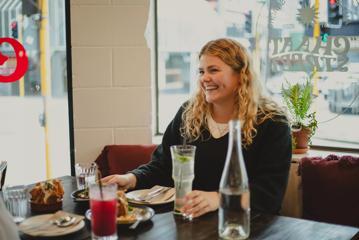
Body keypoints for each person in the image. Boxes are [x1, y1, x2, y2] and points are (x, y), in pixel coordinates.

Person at [102, 38, 292, 218]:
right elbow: (163, 166)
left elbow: (269, 194)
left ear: (241, 75)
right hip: (193, 218)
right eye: (201, 72)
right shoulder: (188, 113)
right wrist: (131, 179)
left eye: (213, 70)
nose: (205, 78)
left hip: (247, 224)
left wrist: (218, 199)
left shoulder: (273, 122)